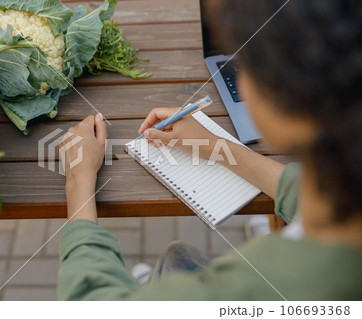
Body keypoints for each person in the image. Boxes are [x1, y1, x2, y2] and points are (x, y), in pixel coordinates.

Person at [57, 0, 362, 300]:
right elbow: (307, 191)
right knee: (177, 256)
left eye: (246, 65)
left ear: (287, 106)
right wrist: (216, 146)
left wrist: (79, 181)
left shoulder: (253, 287)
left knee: (174, 263)